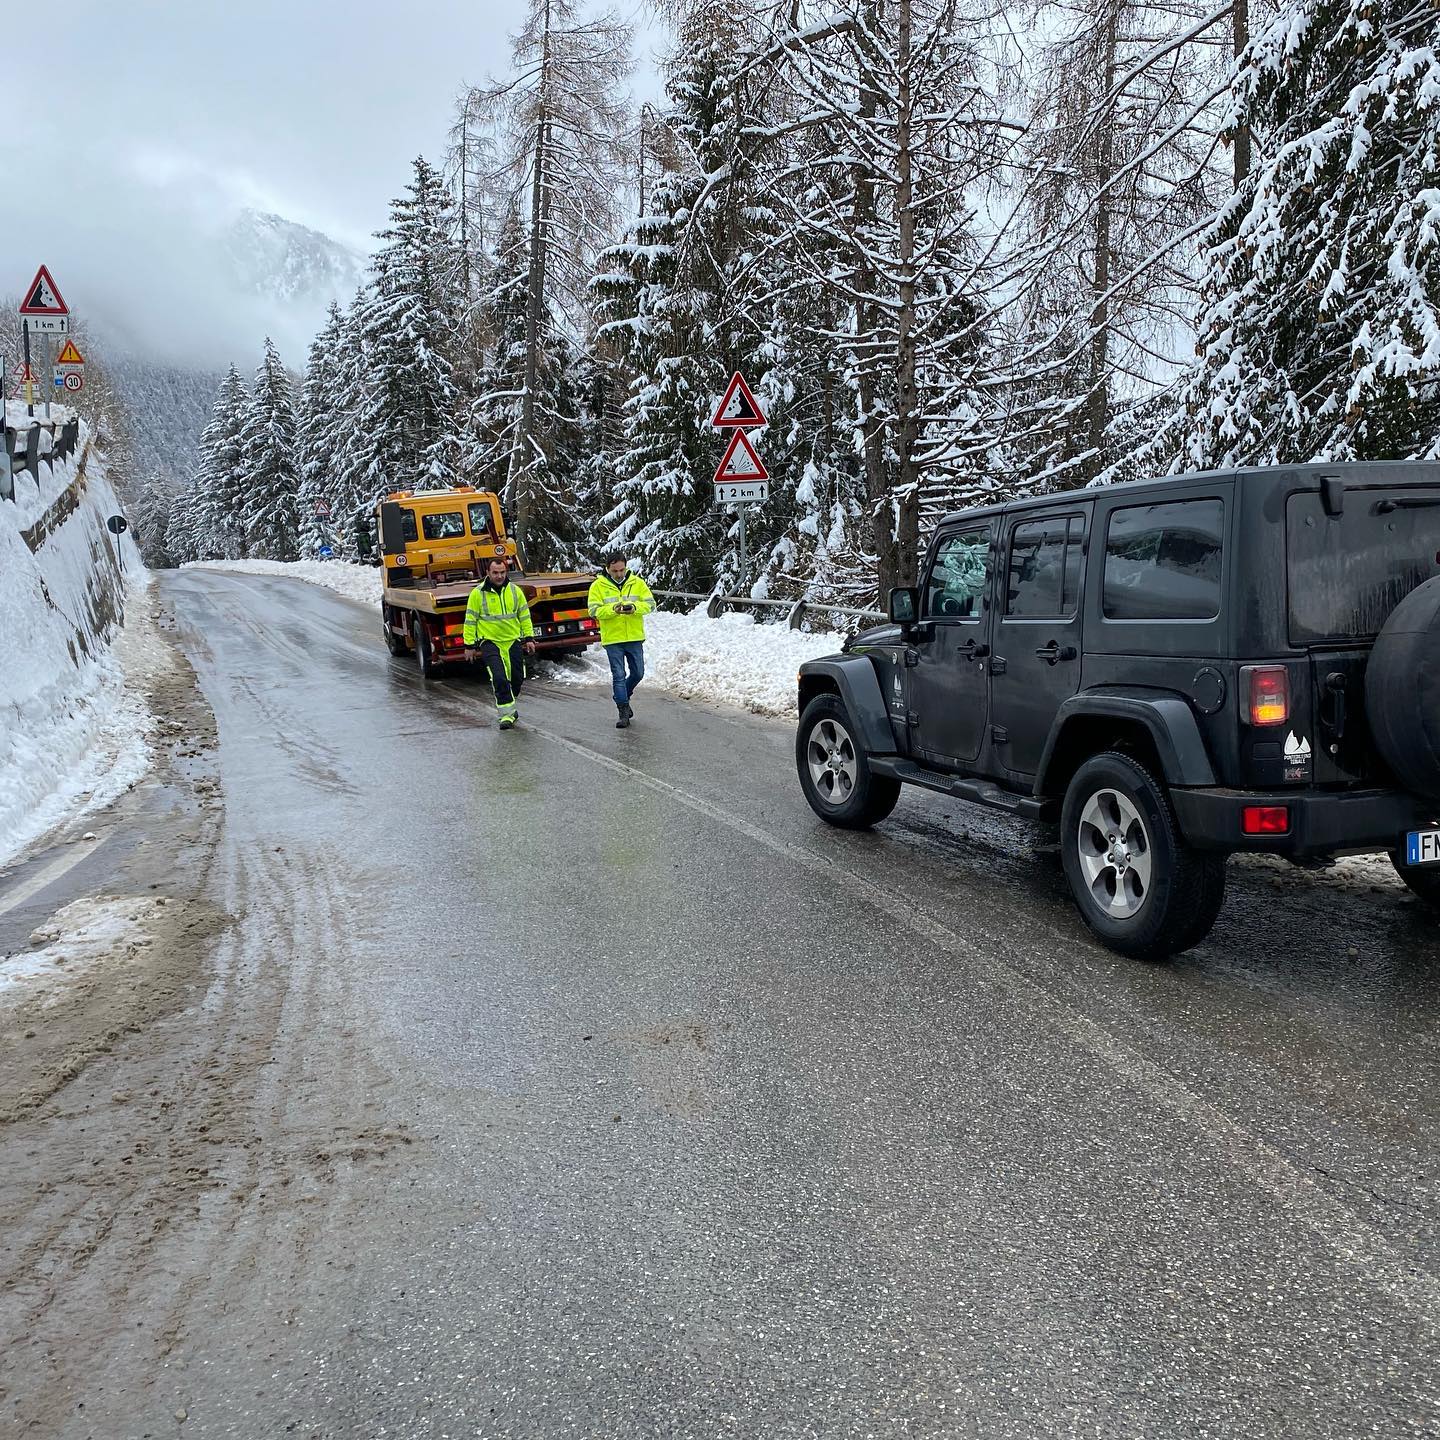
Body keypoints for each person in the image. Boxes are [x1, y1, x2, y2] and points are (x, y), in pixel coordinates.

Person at [463, 557, 537, 729]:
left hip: (512, 640)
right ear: (488, 573)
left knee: (517, 679)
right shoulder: (477, 594)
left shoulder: (515, 591)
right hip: (490, 642)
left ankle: (510, 704)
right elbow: (470, 620)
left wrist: (529, 638)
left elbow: (524, 616)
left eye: (502, 572)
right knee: (499, 678)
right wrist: (469, 645)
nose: (499, 576)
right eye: (495, 573)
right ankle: (506, 715)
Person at [587, 551, 655, 729]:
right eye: (615, 571)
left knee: (638, 672)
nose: (619, 574)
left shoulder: (637, 583)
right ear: (607, 568)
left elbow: (650, 604)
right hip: (613, 638)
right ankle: (623, 710)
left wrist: (633, 607)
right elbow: (593, 610)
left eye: (621, 570)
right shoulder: (597, 586)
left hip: (634, 636)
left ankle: (622, 695)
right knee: (618, 675)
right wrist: (613, 609)